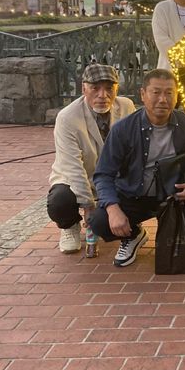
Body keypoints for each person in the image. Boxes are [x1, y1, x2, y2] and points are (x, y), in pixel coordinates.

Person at [90, 69, 185, 267]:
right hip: (134, 195)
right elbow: (103, 174)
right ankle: (133, 235)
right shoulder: (123, 129)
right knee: (99, 221)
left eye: (169, 93)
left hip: (175, 196)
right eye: (156, 92)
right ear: (143, 94)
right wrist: (113, 209)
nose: (163, 99)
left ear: (176, 95)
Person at [47, 64, 135, 254]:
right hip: (78, 177)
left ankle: (131, 226)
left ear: (117, 89)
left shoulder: (126, 106)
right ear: (83, 89)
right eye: (95, 88)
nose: (103, 95)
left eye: (109, 88)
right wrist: (88, 205)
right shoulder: (67, 117)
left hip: (112, 179)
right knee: (59, 200)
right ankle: (69, 226)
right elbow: (73, 167)